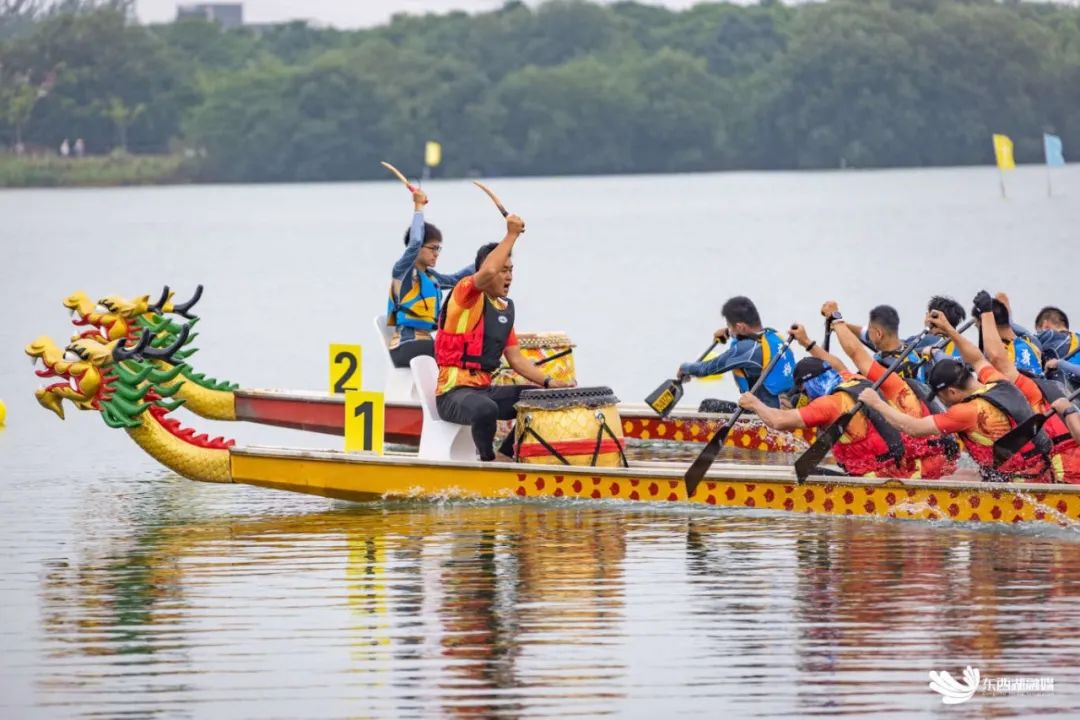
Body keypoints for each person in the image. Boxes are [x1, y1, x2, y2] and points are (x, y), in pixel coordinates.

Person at [858, 294, 1080, 483]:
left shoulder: (965, 412)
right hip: (1037, 470)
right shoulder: (998, 382)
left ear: (952, 392)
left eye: (942, 397)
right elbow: (984, 358)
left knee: (948, 480)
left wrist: (876, 403)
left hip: (1026, 482)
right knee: (954, 475)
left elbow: (914, 428)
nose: (942, 402)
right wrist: (954, 326)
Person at [434, 213, 572, 461]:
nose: (507, 276)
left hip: (484, 389)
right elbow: (488, 270)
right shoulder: (464, 294)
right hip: (452, 394)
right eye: (502, 270)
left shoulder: (502, 309)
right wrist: (511, 235)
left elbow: (517, 360)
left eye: (511, 270)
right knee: (486, 409)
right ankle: (487, 462)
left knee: (545, 401)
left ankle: (506, 456)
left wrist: (550, 383)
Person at [737, 322, 947, 479]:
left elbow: (779, 422)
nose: (806, 395)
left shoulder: (829, 405)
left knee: (802, 475)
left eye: (804, 389)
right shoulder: (853, 380)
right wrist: (806, 342)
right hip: (900, 467)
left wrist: (754, 403)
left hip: (873, 478)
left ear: (810, 384)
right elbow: (837, 362)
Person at [386, 188, 472, 368]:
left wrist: (494, 254)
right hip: (405, 347)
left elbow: (459, 278)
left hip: (422, 345)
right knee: (459, 354)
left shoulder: (431, 277)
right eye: (432, 248)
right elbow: (415, 242)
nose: (436, 254)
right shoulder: (404, 271)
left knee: (469, 348)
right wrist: (418, 206)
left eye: (438, 249)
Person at [677, 296, 795, 409]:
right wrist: (728, 332)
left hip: (764, 415)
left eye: (729, 325)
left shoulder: (746, 349)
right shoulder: (774, 336)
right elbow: (746, 334)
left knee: (707, 405)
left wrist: (684, 368)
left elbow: (704, 369)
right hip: (782, 408)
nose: (729, 329)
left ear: (740, 327)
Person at [822, 302, 925, 381]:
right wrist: (843, 326)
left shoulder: (885, 367)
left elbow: (855, 353)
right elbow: (864, 333)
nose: (868, 332)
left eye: (870, 328)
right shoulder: (908, 349)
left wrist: (835, 317)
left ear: (879, 334)